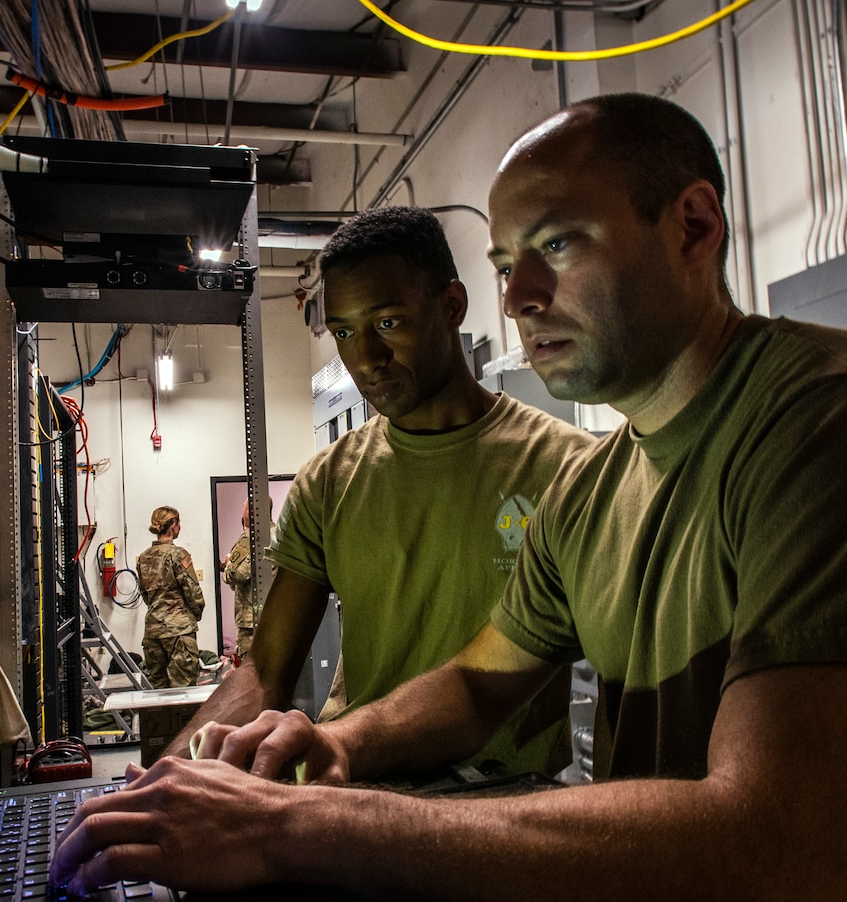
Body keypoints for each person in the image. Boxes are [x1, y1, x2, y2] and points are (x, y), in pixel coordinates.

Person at [53, 94, 847, 902]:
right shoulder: (594, 486)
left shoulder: (843, 429)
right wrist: (334, 742)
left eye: (557, 247)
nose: (517, 296)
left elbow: (782, 887)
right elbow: (479, 684)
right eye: (504, 261)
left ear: (691, 226)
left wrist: (300, 826)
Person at [171, 205, 595, 777]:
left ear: (452, 306)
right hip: (356, 783)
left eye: (388, 323)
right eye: (344, 332)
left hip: (504, 801)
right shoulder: (330, 480)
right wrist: (171, 773)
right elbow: (267, 668)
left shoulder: (565, 469)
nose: (365, 359)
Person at [135, 506, 205, 688]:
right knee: (183, 689)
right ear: (172, 524)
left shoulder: (143, 557)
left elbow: (144, 592)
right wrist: (196, 612)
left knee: (158, 690)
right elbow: (192, 589)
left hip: (152, 631)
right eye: (178, 522)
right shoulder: (179, 554)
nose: (179, 527)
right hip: (178, 631)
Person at [221, 502, 255, 661]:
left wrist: (228, 564)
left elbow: (237, 575)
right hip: (276, 616)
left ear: (248, 512)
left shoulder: (249, 538)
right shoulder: (279, 533)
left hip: (250, 620)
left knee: (249, 670)